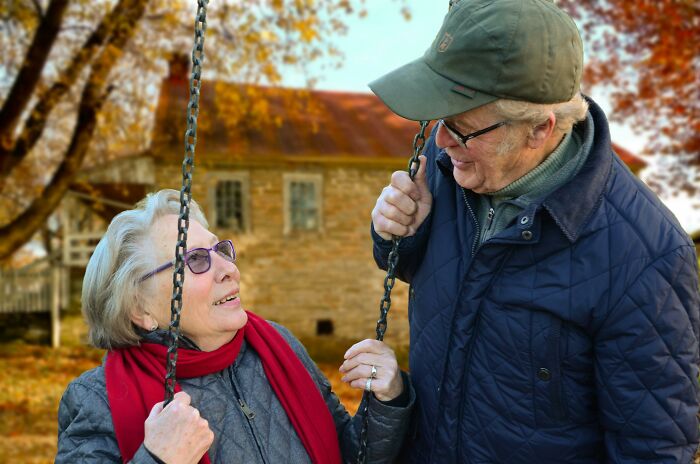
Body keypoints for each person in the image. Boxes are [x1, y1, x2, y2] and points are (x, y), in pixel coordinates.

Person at [368, 0, 700, 462]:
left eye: (462, 129)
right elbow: (412, 267)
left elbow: (654, 447)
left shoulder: (647, 256)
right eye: (439, 121)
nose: (441, 141)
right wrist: (397, 232)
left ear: (539, 130)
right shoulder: (450, 162)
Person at [56, 189, 414, 464]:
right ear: (140, 308)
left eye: (220, 250)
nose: (228, 269)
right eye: (195, 260)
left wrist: (386, 400)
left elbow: (349, 454)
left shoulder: (278, 347)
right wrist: (157, 458)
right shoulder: (96, 399)